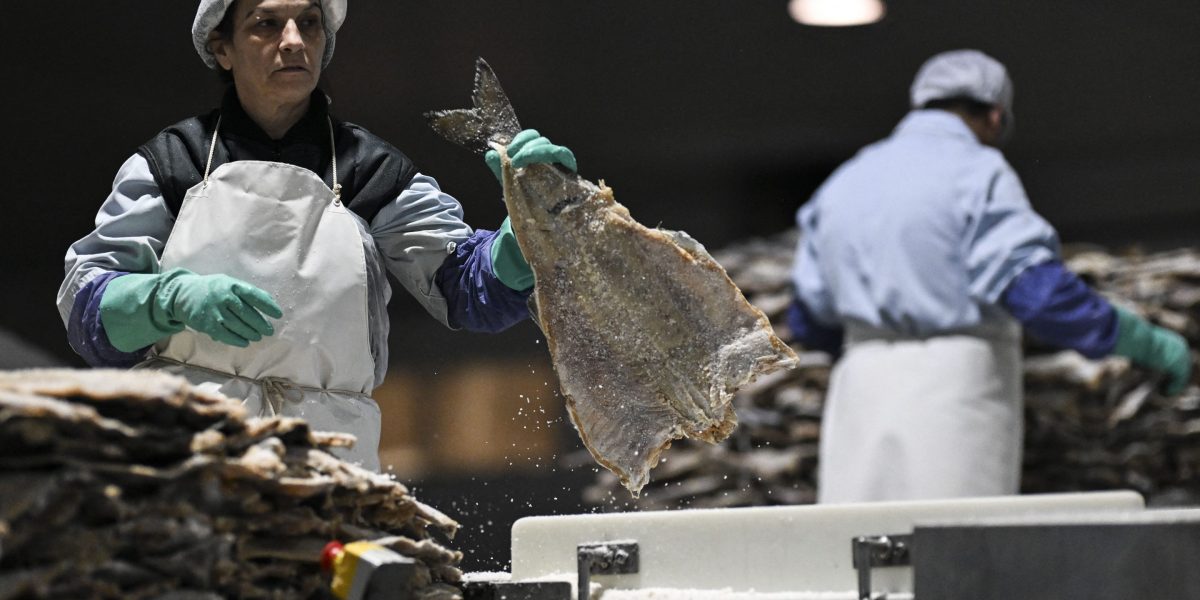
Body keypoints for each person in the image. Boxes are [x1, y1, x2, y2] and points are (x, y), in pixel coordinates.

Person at [56, 0, 577, 470]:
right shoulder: (172, 163)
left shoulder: (371, 171)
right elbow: (89, 314)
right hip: (189, 461)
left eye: (308, 23)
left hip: (332, 462)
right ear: (222, 48)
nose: (292, 40)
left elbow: (465, 291)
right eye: (265, 24)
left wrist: (525, 239)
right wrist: (168, 299)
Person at [789, 49, 1193, 504]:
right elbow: (1036, 296)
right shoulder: (978, 172)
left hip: (859, 389)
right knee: (950, 556)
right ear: (995, 117)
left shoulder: (845, 181)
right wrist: (1137, 339)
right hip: (953, 390)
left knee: (852, 553)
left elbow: (808, 318)